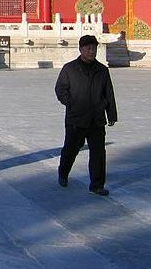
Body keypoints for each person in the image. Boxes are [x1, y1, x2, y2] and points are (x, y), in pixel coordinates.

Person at [55, 34, 118, 196]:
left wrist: (111, 114)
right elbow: (60, 89)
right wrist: (70, 102)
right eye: (89, 48)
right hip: (76, 117)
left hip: (96, 118)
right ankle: (63, 172)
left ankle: (97, 185)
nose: (92, 51)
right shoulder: (69, 69)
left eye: (94, 48)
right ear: (81, 49)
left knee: (98, 153)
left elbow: (108, 93)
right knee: (71, 149)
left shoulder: (102, 70)